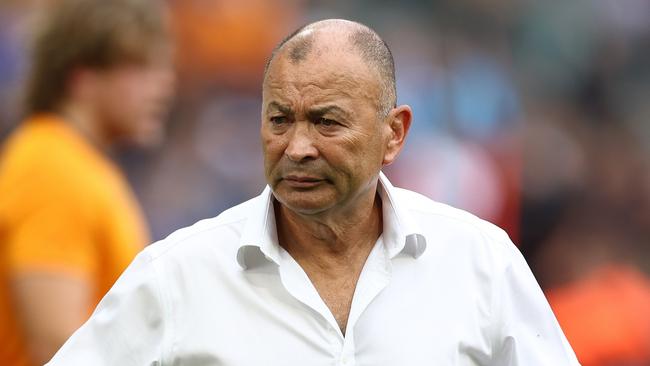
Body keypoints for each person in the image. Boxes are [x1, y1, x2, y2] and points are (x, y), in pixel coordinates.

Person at [47, 19, 578, 365]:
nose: (296, 146)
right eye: (280, 120)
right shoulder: (176, 274)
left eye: (326, 122)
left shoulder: (479, 261)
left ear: (393, 134)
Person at [0, 0, 174, 365]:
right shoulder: (52, 169)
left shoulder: (78, 163)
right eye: (140, 66)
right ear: (82, 78)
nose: (165, 85)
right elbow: (56, 344)